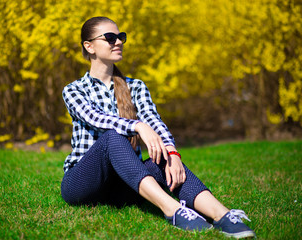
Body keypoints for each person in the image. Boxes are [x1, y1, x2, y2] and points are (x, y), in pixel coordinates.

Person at [61, 16, 256, 239]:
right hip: (84, 184)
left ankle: (224, 216)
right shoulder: (74, 90)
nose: (118, 42)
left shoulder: (135, 86)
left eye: (121, 37)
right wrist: (137, 126)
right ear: (89, 46)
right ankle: (173, 211)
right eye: (110, 37)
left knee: (164, 158)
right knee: (113, 137)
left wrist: (172, 152)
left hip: (125, 185)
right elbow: (95, 118)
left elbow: (154, 121)